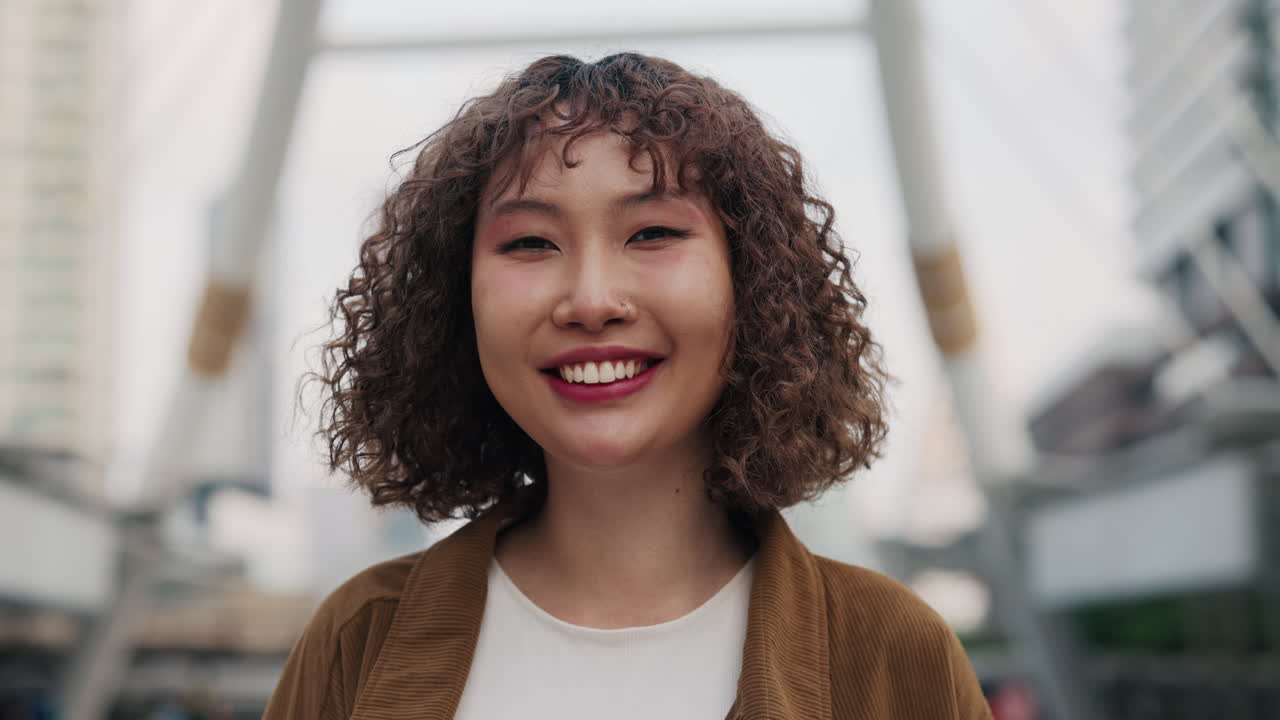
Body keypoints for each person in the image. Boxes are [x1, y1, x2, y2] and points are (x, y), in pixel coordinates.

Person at [263, 52, 992, 720]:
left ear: (751, 284)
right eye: (529, 244)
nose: (591, 299)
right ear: (460, 303)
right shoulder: (355, 644)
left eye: (652, 234)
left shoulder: (894, 655)